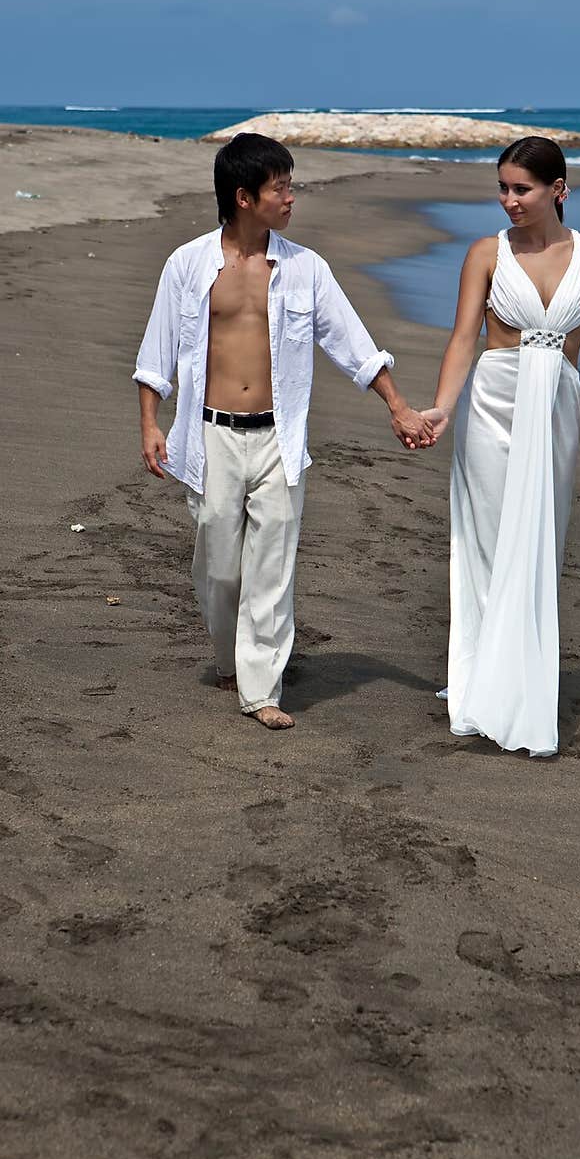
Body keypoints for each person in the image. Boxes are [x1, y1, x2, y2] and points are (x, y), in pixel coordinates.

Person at [133, 133, 432, 730]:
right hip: (210, 435)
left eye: (290, 185)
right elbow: (157, 349)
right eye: (281, 187)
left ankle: (261, 688)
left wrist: (399, 407)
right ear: (245, 197)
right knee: (218, 566)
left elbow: (353, 343)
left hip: (279, 438)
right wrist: (150, 423)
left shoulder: (305, 269)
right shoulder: (188, 265)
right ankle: (229, 658)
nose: (292, 197)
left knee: (272, 565)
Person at [422, 136, 580, 756]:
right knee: (486, 539)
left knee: (538, 542)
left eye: (522, 188)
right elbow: (463, 339)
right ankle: (482, 684)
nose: (509, 200)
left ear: (559, 190)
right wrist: (442, 408)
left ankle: (523, 683)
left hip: (556, 409)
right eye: (503, 188)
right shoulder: (485, 253)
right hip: (491, 406)